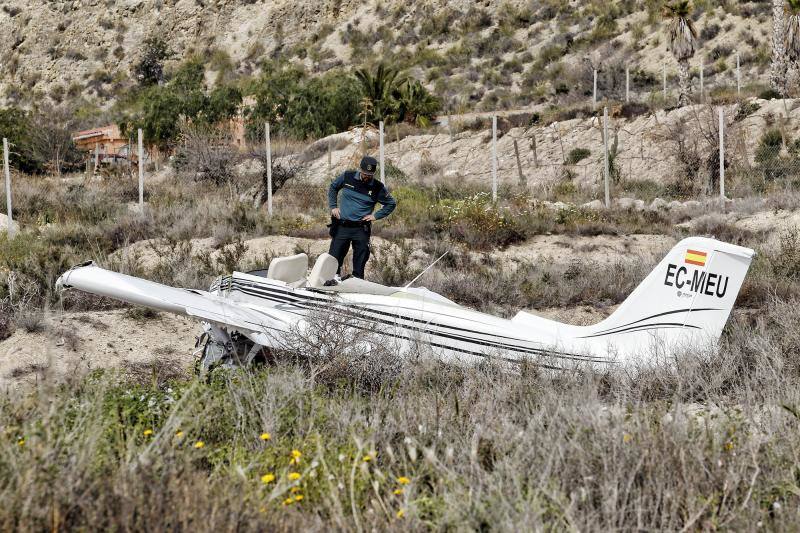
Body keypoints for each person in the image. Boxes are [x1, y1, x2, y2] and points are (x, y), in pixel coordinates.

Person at [327, 155, 396, 279]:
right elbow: (333, 187)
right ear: (360, 169)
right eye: (364, 174)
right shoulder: (347, 176)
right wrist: (333, 206)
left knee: (360, 260)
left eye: (370, 175)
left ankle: (356, 283)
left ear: (373, 173)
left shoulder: (378, 187)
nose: (366, 177)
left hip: (361, 229)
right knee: (334, 257)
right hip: (342, 226)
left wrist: (376, 216)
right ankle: (332, 280)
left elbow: (391, 203)